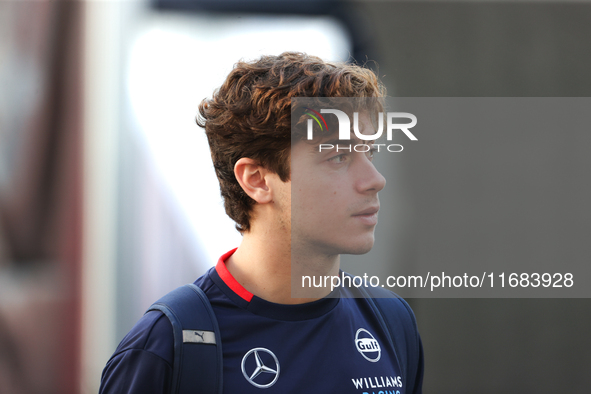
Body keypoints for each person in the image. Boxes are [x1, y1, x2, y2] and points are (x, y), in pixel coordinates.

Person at [99, 52, 423, 393]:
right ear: (256, 179)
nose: (374, 179)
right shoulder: (168, 345)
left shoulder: (391, 321)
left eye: (369, 152)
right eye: (339, 156)